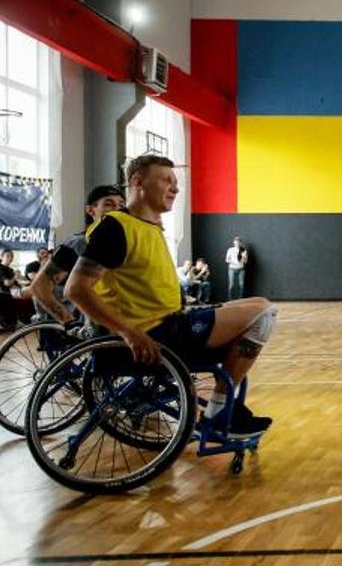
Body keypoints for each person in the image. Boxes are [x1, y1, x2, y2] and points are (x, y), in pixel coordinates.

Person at [65, 155, 277, 437]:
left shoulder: (149, 226)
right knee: (262, 314)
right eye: (166, 179)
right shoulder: (116, 227)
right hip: (155, 335)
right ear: (138, 182)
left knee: (259, 304)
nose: (175, 188)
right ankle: (219, 412)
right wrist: (128, 332)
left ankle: (224, 408)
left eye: (176, 182)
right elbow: (75, 289)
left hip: (170, 323)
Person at [28, 184, 126, 326]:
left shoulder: (129, 239)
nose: (117, 209)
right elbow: (39, 287)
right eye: (109, 204)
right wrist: (68, 321)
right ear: (90, 210)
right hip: (97, 327)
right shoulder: (79, 243)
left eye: (121, 205)